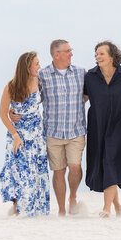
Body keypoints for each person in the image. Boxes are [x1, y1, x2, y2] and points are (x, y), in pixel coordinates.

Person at [37, 39, 88, 215]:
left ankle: (72, 196)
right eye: (68, 51)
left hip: (76, 131)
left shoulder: (81, 73)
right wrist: (14, 111)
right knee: (58, 172)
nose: (71, 54)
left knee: (75, 167)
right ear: (56, 54)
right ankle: (61, 211)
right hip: (53, 132)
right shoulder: (42, 75)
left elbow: (90, 94)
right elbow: (33, 98)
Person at [0, 51, 50, 216]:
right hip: (18, 136)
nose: (39, 66)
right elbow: (3, 114)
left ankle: (37, 211)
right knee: (18, 171)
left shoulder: (38, 81)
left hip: (36, 136)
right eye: (36, 64)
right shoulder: (11, 87)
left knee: (37, 172)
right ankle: (17, 211)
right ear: (27, 67)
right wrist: (15, 135)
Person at [83, 40, 121, 217]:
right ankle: (117, 205)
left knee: (111, 160)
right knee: (103, 163)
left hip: (119, 124)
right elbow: (81, 99)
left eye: (101, 53)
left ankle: (107, 208)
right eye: (96, 54)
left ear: (112, 56)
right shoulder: (90, 76)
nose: (98, 56)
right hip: (97, 125)